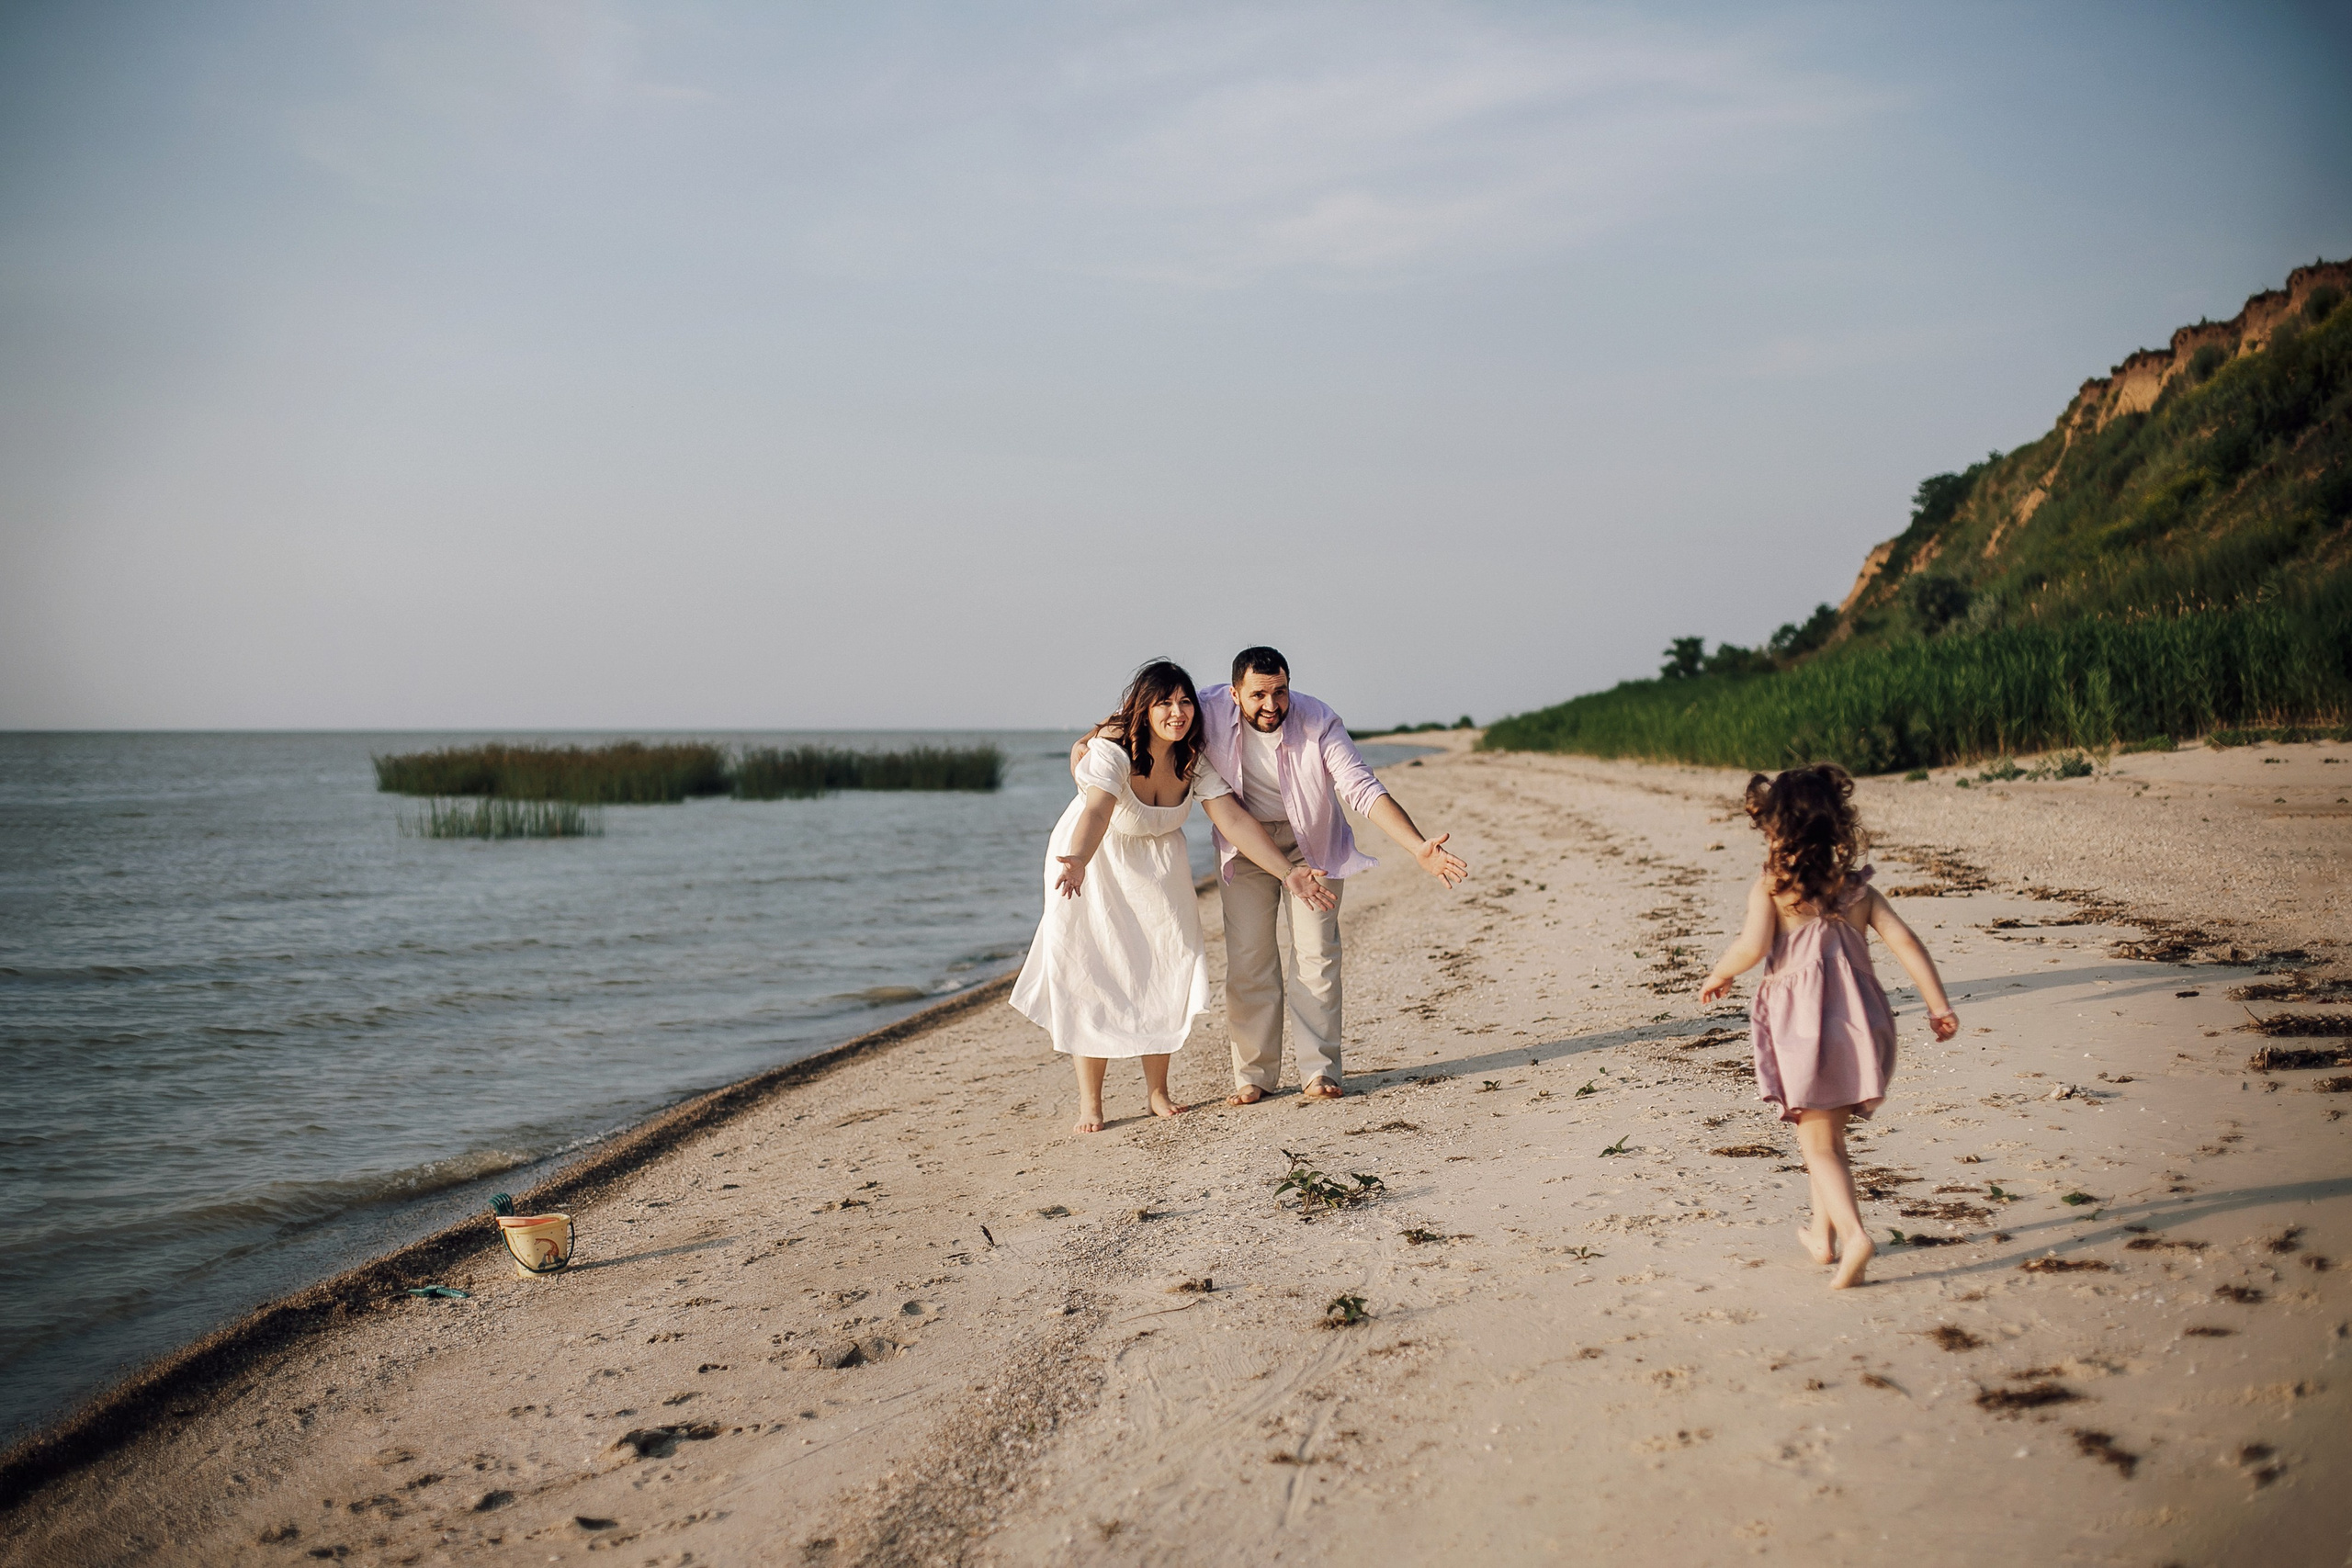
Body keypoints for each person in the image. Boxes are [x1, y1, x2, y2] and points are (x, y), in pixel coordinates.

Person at [1082, 647, 1467, 1104]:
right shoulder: (1203, 707)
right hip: (1245, 844)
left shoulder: (1318, 720)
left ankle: (1319, 1071)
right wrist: (1090, 744)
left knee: (1317, 955)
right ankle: (1254, 1075)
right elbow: (1143, 715)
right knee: (1249, 958)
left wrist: (1416, 845)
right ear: (1233, 694)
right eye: (1259, 695)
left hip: (1314, 846)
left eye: (1280, 692)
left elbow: (1360, 787)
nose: (1271, 706)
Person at [1014, 660, 1335, 1134]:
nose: (1178, 712)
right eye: (1164, 702)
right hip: (1091, 864)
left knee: (1165, 964)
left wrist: (1288, 873)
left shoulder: (1192, 759)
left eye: (1185, 702)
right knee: (1092, 969)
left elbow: (1233, 819)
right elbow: (1098, 812)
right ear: (1143, 708)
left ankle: (1157, 1092)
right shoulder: (1112, 752)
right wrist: (1077, 859)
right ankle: (1091, 1103)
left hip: (1159, 866)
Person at [1700, 763, 1958, 1289]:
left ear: (1777, 831)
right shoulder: (1858, 891)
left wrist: (1720, 973)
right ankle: (1823, 1238)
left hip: (1804, 1028)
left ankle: (1855, 1234)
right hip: (1862, 1024)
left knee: (1817, 1146)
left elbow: (1751, 947)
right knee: (1827, 1137)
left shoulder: (1774, 889)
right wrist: (1938, 1006)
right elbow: (1906, 943)